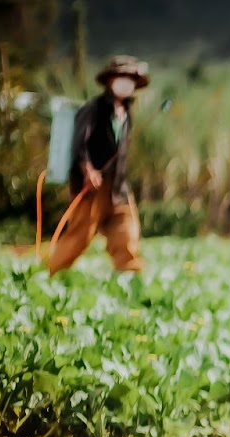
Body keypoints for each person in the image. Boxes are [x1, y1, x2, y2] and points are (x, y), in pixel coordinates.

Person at [48, 56, 150, 276]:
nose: (126, 82)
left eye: (130, 78)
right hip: (93, 186)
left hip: (118, 186)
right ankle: (53, 273)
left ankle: (131, 279)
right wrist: (88, 170)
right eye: (121, 77)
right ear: (110, 80)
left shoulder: (127, 113)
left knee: (127, 232)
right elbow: (79, 144)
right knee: (80, 235)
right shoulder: (93, 109)